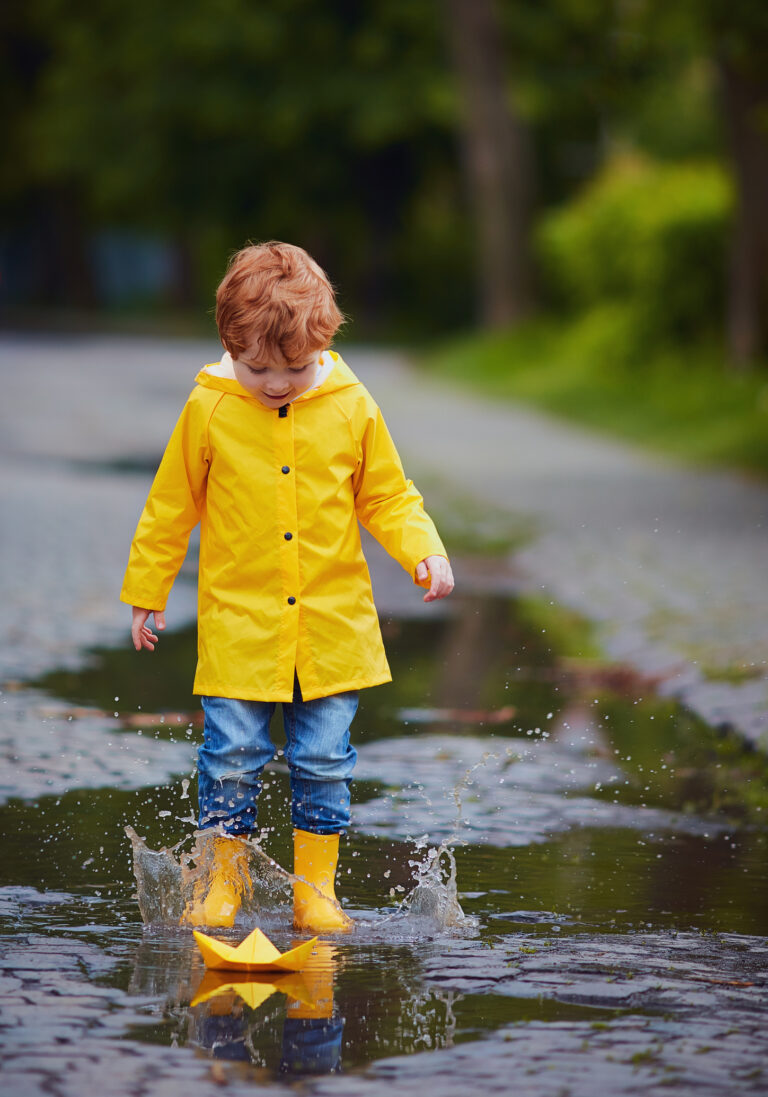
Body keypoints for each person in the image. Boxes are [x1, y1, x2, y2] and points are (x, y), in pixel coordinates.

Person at [120, 241, 453, 933]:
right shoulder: (209, 407)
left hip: (333, 630)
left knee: (325, 760)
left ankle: (315, 893)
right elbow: (170, 504)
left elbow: (388, 495)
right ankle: (224, 887)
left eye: (295, 368)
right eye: (258, 369)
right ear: (228, 346)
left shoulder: (351, 404)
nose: (276, 383)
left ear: (322, 345)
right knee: (232, 759)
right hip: (239, 627)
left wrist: (423, 550)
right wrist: (146, 588)